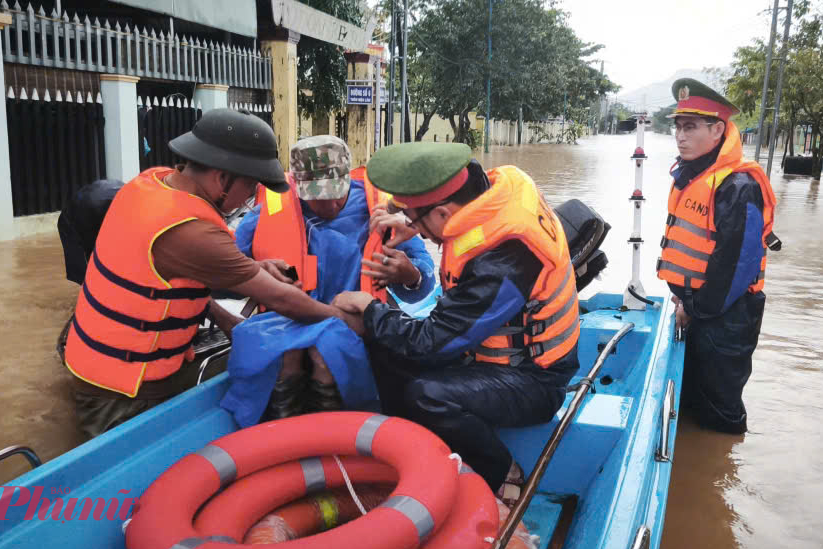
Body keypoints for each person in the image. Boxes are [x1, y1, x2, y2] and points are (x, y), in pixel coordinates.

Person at [63, 108, 360, 438]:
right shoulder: (193, 232)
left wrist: (242, 293)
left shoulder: (153, 184)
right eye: (249, 186)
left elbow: (173, 278)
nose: (250, 197)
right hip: (122, 399)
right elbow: (281, 299)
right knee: (269, 362)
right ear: (222, 177)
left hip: (94, 369)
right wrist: (340, 317)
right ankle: (290, 439)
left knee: (254, 350)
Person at [332, 142, 580, 500]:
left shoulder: (507, 256)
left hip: (533, 380)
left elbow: (431, 343)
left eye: (418, 219)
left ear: (444, 213)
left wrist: (370, 308)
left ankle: (500, 472)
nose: (416, 228)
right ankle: (408, 452)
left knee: (426, 394)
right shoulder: (499, 188)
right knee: (383, 345)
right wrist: (413, 223)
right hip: (485, 353)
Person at [233, 135, 435, 417]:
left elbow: (425, 285)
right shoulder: (267, 213)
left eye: (335, 194)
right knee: (284, 356)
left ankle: (337, 432)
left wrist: (409, 274)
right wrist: (257, 271)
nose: (328, 206)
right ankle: (285, 434)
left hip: (354, 320)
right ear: (299, 187)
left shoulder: (383, 212)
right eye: (316, 199)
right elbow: (226, 269)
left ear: (346, 178)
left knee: (326, 353)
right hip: (292, 317)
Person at [656, 78, 779, 434]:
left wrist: (693, 309)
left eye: (690, 127)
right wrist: (684, 299)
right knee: (693, 402)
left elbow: (735, 271)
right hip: (700, 308)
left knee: (719, 417)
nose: (680, 136)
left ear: (718, 130)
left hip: (726, 318)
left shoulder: (738, 187)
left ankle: (719, 475)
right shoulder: (693, 175)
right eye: (678, 126)